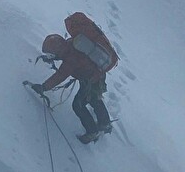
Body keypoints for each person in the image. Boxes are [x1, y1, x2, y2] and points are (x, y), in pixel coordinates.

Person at [28, 12, 118, 143]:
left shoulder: (70, 60)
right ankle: (105, 124)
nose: (52, 56)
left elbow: (60, 76)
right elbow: (69, 58)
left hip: (91, 79)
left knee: (78, 105)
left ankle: (92, 132)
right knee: (94, 98)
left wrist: (43, 87)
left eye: (52, 54)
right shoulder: (73, 43)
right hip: (96, 75)